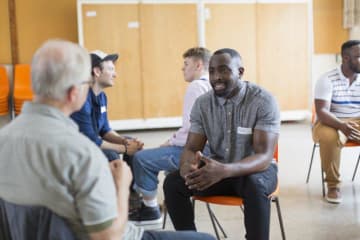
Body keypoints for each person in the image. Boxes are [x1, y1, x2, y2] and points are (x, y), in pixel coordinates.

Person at [0, 39, 216, 240]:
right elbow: (109, 235)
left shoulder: (4, 139)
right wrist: (122, 186)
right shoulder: (81, 154)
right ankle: (145, 209)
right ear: (74, 92)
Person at [163, 48, 280, 240]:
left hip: (254, 171)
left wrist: (225, 170)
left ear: (240, 72)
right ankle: (190, 238)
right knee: (173, 183)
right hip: (216, 170)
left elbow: (264, 157)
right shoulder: (202, 104)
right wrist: (187, 168)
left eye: (224, 70)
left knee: (255, 185)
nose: (216, 77)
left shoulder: (263, 101)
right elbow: (192, 147)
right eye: (212, 71)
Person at [129, 47, 212, 226]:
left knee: (141, 158)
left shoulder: (196, 86)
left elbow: (192, 129)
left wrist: (170, 142)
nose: (183, 68)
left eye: (186, 64)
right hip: (211, 151)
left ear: (198, 65)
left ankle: (150, 209)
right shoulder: (212, 85)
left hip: (196, 152)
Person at [71, 50, 143, 162]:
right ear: (97, 71)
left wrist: (124, 141)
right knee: (111, 155)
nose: (115, 74)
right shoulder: (82, 99)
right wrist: (124, 148)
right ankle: (118, 179)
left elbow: (104, 130)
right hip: (77, 149)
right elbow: (90, 139)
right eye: (111, 69)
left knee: (130, 141)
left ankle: (129, 179)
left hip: (91, 142)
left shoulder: (102, 96)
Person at [313, 40, 360, 204]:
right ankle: (333, 186)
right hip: (330, 121)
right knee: (329, 137)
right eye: (359, 57)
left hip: (356, 119)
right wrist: (341, 126)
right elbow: (322, 112)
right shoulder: (327, 79)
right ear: (346, 58)